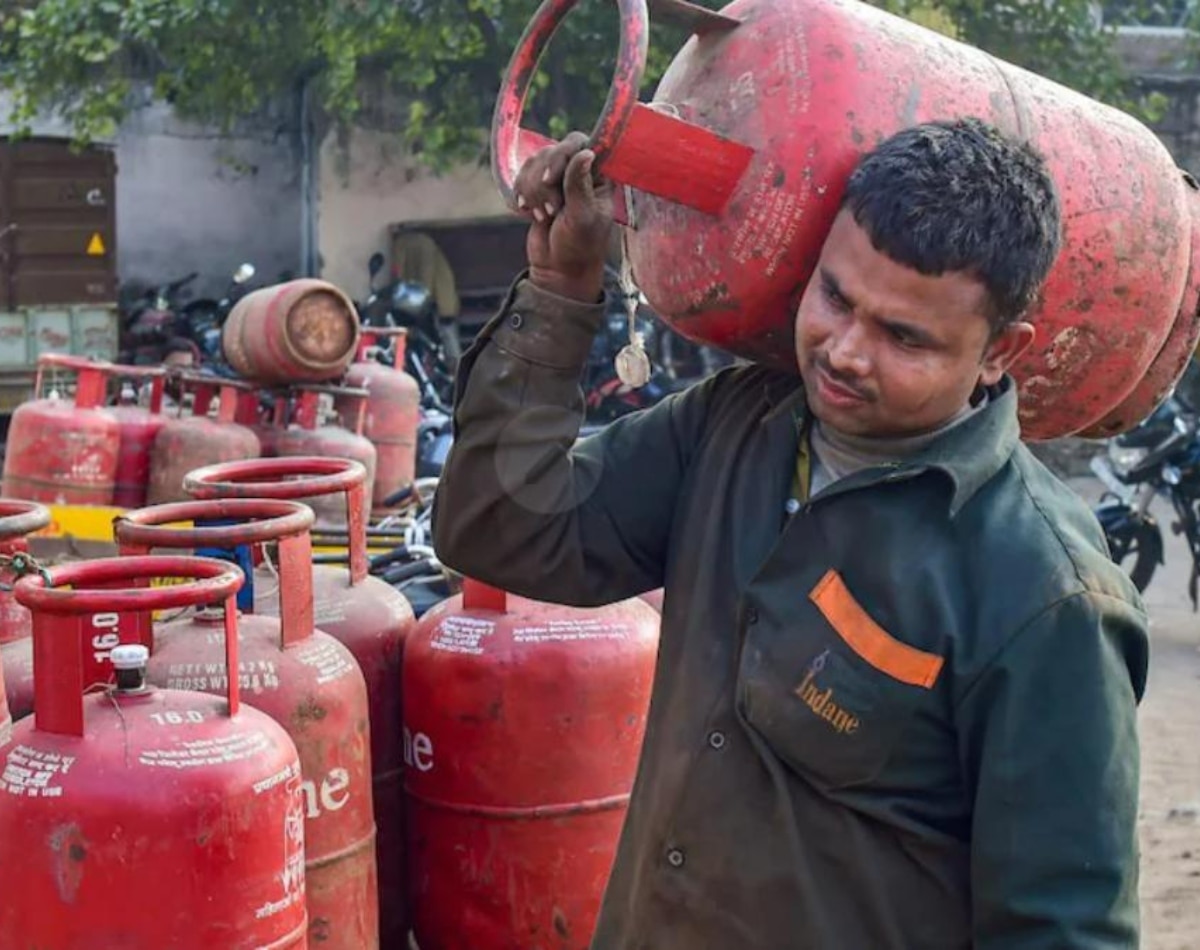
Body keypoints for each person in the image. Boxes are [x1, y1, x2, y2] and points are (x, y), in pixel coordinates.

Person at [433, 119, 1148, 949]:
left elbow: (1062, 932)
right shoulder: (734, 427)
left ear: (1000, 353)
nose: (845, 353)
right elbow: (501, 530)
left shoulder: (1048, 600)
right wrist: (561, 290)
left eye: (903, 337)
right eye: (835, 298)